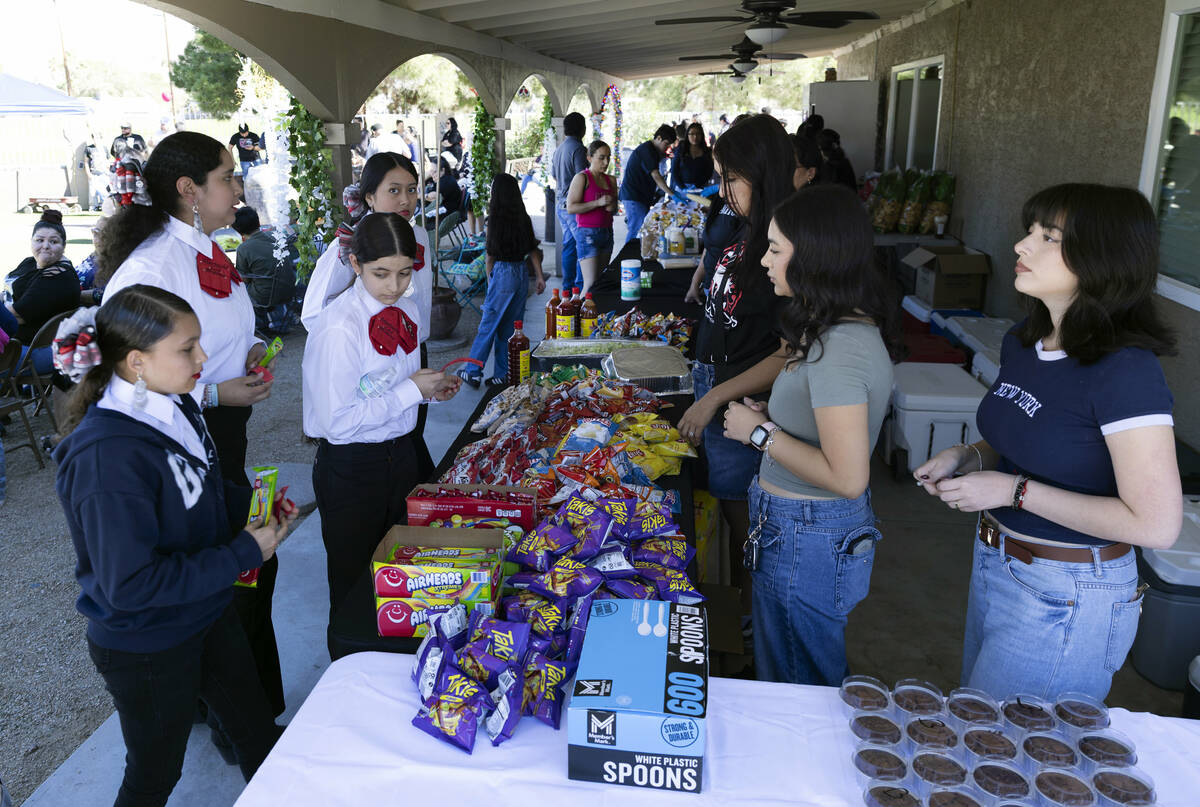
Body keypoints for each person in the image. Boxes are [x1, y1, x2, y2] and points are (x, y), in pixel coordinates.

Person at [916, 184, 1182, 701]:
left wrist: (1013, 492)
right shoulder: (1025, 341)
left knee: (1012, 760)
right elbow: (1029, 440)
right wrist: (967, 456)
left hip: (1068, 592)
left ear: (1102, 258)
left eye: (1048, 237)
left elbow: (1156, 524)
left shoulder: (1125, 372)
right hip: (999, 562)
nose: (1021, 246)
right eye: (1029, 230)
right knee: (980, 728)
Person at [54, 284, 296, 807]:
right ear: (136, 362)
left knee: (256, 732)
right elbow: (131, 586)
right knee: (154, 774)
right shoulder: (105, 458)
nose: (203, 358)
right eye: (188, 349)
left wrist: (252, 507)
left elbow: (199, 490)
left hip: (206, 613)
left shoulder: (174, 404)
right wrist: (241, 555)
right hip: (147, 645)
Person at [97, 131, 287, 732]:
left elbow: (226, 327)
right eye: (229, 177)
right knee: (237, 572)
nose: (239, 188)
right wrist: (215, 391)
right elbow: (129, 378)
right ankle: (239, 721)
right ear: (189, 190)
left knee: (254, 565)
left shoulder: (206, 246)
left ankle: (249, 715)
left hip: (221, 428)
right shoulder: (152, 266)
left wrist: (250, 349)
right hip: (178, 438)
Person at [723, 185, 897, 685]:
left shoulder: (842, 346)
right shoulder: (828, 328)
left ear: (816, 257)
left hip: (809, 533)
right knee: (786, 665)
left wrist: (759, 434)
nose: (764, 261)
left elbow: (846, 477)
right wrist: (772, 421)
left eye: (776, 249)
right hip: (795, 528)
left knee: (802, 681)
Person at [303, 213, 461, 621]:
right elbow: (339, 421)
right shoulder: (339, 327)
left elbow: (390, 385)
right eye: (381, 274)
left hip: (401, 457)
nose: (394, 286)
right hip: (353, 469)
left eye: (405, 273)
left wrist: (427, 393)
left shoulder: (405, 308)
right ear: (355, 265)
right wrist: (411, 391)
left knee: (406, 579)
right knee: (356, 588)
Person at [676, 115, 798, 623]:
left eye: (732, 178)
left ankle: (750, 617)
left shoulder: (787, 244)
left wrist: (713, 398)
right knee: (723, 503)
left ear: (763, 173)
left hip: (743, 401)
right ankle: (737, 604)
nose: (723, 190)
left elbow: (792, 350)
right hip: (713, 384)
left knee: (746, 512)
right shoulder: (742, 225)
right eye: (720, 176)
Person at [299, 152, 436, 478]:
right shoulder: (350, 246)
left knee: (407, 434)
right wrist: (366, 339)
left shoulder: (418, 236)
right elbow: (314, 314)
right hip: (368, 359)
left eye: (412, 189)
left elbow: (420, 300)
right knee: (372, 441)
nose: (406, 199)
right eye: (394, 190)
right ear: (370, 196)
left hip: (411, 346)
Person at [458, 173, 545, 388]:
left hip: (503, 273)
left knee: (488, 324)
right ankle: (503, 373)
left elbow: (490, 256)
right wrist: (540, 277)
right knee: (511, 327)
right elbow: (533, 248)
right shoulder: (523, 217)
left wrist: (490, 281)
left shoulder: (494, 219)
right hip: (521, 274)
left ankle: (473, 371)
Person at [3, 210, 80, 375]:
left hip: (32, 352)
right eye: (39, 240)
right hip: (16, 344)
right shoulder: (30, 263)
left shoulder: (57, 277)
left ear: (64, 246)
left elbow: (15, 317)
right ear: (31, 241)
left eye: (53, 241)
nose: (45, 246)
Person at [232, 207, 298, 335]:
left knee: (238, 288)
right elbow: (292, 235)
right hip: (290, 289)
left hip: (266, 297)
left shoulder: (243, 249)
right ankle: (278, 321)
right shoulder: (276, 235)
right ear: (258, 222)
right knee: (268, 281)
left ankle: (258, 327)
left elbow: (244, 278)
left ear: (238, 230)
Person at [565, 141, 617, 295]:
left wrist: (610, 205)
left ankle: (594, 316)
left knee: (600, 281)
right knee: (590, 283)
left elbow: (613, 209)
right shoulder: (582, 178)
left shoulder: (611, 180)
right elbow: (571, 207)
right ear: (589, 157)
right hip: (587, 234)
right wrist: (597, 203)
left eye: (608, 157)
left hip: (607, 232)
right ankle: (577, 316)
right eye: (601, 158)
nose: (606, 162)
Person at [618, 124, 678, 243]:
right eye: (666, 144)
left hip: (641, 197)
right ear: (659, 138)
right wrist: (672, 194)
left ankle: (636, 256)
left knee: (641, 229)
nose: (666, 148)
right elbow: (656, 175)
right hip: (634, 196)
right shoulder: (647, 150)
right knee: (637, 230)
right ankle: (627, 258)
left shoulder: (653, 151)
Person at [552, 112, 588, 293]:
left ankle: (568, 287)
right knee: (582, 245)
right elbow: (583, 177)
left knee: (569, 245)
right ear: (582, 128)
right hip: (573, 205)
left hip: (560, 204)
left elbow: (553, 174)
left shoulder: (560, 148)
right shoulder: (578, 149)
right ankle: (581, 288)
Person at [684, 197, 743, 306]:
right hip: (709, 288)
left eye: (732, 179)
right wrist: (695, 283)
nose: (721, 191)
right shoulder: (720, 201)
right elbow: (709, 246)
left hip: (729, 299)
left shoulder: (749, 211)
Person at [671, 122, 715, 192]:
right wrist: (682, 187)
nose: (695, 137)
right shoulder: (681, 149)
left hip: (701, 188)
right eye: (692, 134)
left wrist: (698, 185)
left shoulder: (707, 151)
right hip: (682, 188)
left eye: (698, 134)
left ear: (702, 135)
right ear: (687, 135)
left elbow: (709, 171)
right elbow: (674, 170)